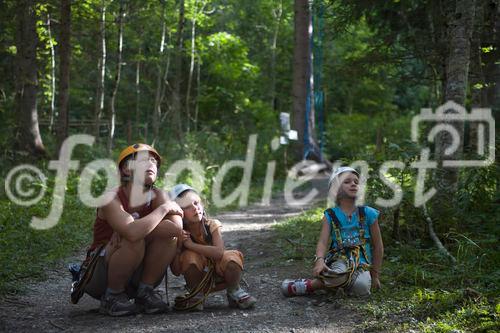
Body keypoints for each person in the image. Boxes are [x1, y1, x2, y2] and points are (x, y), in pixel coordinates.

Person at [82, 144, 183, 316]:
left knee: (167, 238)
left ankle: (145, 293)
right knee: (132, 239)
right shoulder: (110, 197)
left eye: (154, 161)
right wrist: (163, 210)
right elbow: (132, 234)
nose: (151, 164)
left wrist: (134, 228)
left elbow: (175, 229)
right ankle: (112, 297)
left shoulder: (160, 196)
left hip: (138, 269)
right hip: (100, 275)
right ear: (127, 170)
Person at [281, 166, 384, 297]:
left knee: (362, 289)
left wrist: (375, 275)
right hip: (339, 260)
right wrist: (319, 260)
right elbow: (323, 242)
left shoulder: (369, 213)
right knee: (340, 275)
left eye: (356, 182)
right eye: (347, 182)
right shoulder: (330, 215)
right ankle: (308, 286)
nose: (353, 184)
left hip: (361, 264)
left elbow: (378, 246)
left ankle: (327, 285)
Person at [169, 184, 256, 310]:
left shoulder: (212, 225)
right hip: (199, 282)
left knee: (231, 256)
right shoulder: (179, 234)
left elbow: (219, 253)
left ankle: (234, 291)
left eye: (196, 203)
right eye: (188, 206)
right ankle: (196, 295)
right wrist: (179, 247)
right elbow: (176, 272)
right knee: (189, 257)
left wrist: (191, 245)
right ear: (179, 213)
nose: (195, 208)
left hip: (221, 277)